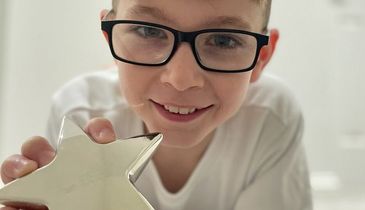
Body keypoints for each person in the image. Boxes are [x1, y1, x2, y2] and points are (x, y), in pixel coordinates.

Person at [0, 0, 313, 209]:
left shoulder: (272, 119)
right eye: (148, 31)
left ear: (261, 57)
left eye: (223, 40)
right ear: (110, 38)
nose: (181, 79)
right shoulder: (79, 113)